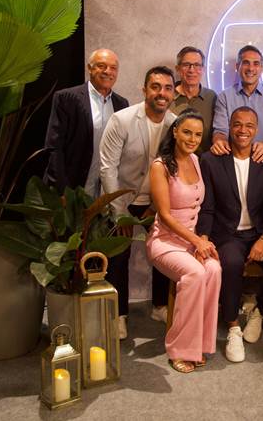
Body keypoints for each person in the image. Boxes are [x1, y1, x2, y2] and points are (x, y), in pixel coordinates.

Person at [197, 106, 263, 363]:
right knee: (232, 263)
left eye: (249, 125)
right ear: (229, 127)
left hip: (260, 231)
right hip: (228, 233)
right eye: (237, 124)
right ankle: (233, 326)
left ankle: (260, 312)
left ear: (256, 130)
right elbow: (207, 206)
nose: (242, 130)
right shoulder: (211, 160)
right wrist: (203, 237)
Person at [100, 66, 177, 339]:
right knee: (119, 255)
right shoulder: (121, 120)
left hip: (156, 201)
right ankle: (119, 314)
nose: (161, 93)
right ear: (144, 90)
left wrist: (157, 207)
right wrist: (118, 212)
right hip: (122, 199)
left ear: (173, 93)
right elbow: (107, 168)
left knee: (164, 250)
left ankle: (160, 306)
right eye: (155, 87)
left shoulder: (175, 125)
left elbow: (175, 170)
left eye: (167, 88)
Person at [146, 110, 221, 373]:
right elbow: (165, 216)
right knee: (195, 273)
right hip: (164, 242)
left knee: (214, 269)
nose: (192, 139)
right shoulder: (160, 166)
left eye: (198, 135)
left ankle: (199, 344)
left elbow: (201, 209)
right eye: (187, 132)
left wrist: (202, 240)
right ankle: (179, 349)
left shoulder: (197, 160)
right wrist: (197, 242)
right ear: (175, 131)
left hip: (192, 240)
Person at [44, 48, 128, 196]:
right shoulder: (66, 98)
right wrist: (62, 190)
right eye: (101, 66)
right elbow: (54, 148)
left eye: (113, 68)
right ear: (89, 68)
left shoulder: (122, 104)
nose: (108, 71)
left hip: (105, 190)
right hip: (71, 188)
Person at [211, 45, 263, 163]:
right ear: (237, 66)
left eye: (256, 64)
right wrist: (219, 142)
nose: (251, 68)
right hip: (232, 160)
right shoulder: (224, 97)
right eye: (246, 63)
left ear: (261, 68)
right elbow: (220, 131)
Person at [170, 46, 216, 154]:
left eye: (197, 65)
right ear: (177, 68)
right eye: (186, 65)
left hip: (204, 161)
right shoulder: (168, 97)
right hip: (172, 160)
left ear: (203, 69)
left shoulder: (212, 97)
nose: (191, 70)